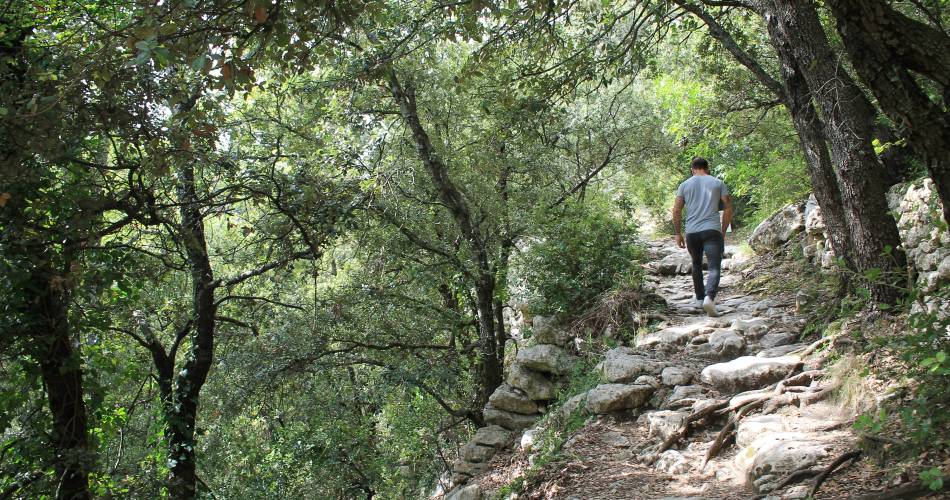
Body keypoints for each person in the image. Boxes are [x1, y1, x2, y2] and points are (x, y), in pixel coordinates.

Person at [672, 157, 733, 317]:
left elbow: (677, 210)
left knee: (696, 264)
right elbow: (727, 209)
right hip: (712, 230)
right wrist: (723, 230)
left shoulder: (684, 185)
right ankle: (709, 298)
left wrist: (678, 233)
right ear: (707, 168)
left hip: (692, 232)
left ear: (692, 169)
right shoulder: (718, 183)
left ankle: (699, 298)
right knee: (714, 266)